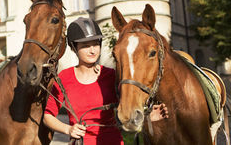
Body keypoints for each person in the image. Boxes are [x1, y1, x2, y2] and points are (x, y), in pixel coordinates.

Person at [43, 17, 168, 145]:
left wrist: (147, 117)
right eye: (85, 46)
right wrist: (68, 129)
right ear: (74, 48)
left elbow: (126, 111)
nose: (92, 50)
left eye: (96, 44)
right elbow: (48, 116)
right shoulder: (64, 77)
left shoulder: (111, 75)